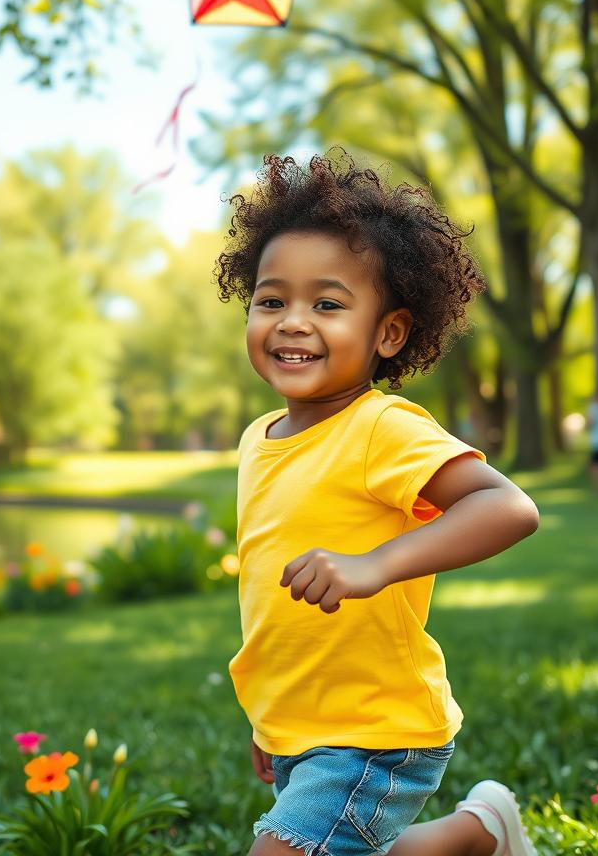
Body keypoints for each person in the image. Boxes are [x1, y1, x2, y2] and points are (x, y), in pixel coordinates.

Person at [214, 151, 540, 856]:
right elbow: (274, 607)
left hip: (377, 730)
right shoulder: (257, 438)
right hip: (305, 723)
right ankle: (479, 834)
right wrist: (272, 716)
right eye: (272, 301)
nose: (293, 322)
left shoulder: (379, 427)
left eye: (327, 305)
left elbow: (507, 507)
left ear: (388, 333)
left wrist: (375, 564)